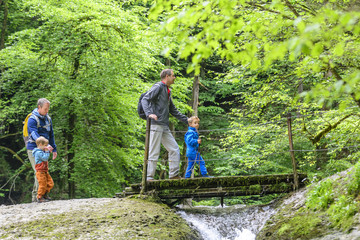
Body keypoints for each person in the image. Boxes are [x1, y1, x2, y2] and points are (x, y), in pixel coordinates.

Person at [141, 69, 188, 181]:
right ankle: (149, 178)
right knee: (154, 150)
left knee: (174, 149)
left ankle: (173, 175)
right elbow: (145, 99)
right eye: (173, 75)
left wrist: (187, 120)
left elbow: (173, 110)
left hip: (164, 125)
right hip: (156, 124)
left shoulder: (167, 90)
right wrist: (149, 114)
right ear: (167, 76)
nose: (174, 77)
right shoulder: (158, 87)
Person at [27, 98, 57, 202]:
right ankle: (36, 197)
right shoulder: (32, 119)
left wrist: (54, 149)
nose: (47, 111)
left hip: (45, 148)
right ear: (39, 107)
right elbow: (34, 135)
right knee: (38, 171)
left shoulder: (48, 119)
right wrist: (42, 146)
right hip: (34, 149)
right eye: (45, 109)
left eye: (48, 109)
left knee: (44, 172)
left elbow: (51, 134)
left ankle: (43, 195)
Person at [32, 136, 54, 203]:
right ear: (40, 145)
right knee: (42, 184)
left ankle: (45, 194)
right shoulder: (38, 152)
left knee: (50, 183)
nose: (46, 146)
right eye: (45, 145)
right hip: (40, 172)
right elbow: (45, 158)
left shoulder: (42, 151)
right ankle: (40, 197)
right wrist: (47, 152)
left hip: (44, 171)